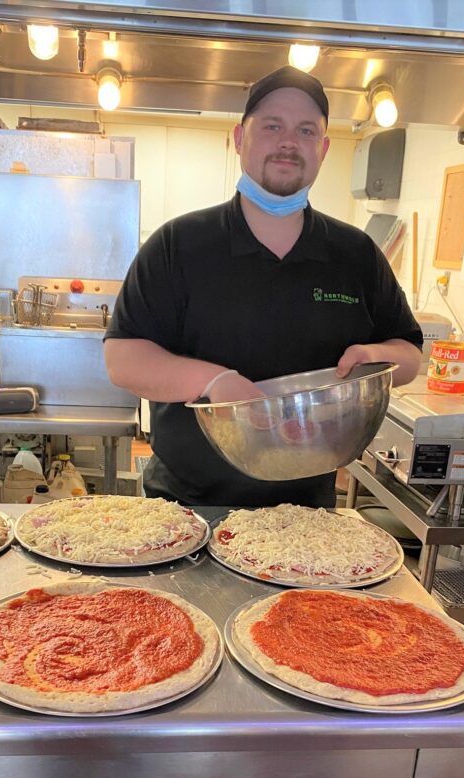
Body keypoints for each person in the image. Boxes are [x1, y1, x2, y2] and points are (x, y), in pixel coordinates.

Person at [104, 66, 423, 507]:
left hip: (307, 509)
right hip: (188, 506)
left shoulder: (356, 254)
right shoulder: (179, 245)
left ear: (323, 149)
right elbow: (123, 359)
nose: (288, 141)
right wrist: (213, 380)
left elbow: (410, 358)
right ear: (239, 139)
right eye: (272, 126)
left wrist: (374, 357)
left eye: (306, 130)